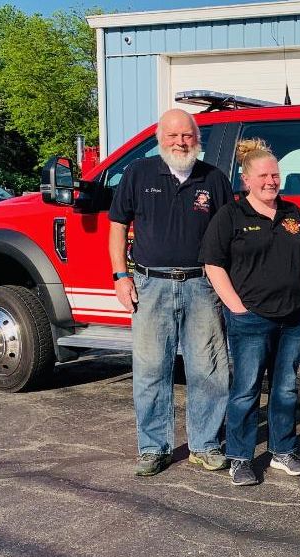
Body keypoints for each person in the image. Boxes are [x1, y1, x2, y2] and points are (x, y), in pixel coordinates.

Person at [108, 109, 232, 476]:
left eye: (187, 136)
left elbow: (227, 236)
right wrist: (120, 276)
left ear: (197, 139)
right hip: (150, 285)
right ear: (160, 138)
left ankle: (205, 444)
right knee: (150, 370)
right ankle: (153, 448)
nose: (181, 142)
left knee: (208, 369)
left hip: (201, 285)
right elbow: (117, 226)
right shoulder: (138, 173)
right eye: (173, 135)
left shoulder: (215, 179)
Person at [200, 139, 300, 487]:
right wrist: (235, 306)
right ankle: (240, 457)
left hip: (293, 318)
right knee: (246, 390)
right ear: (246, 179)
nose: (271, 181)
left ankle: (283, 451)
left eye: (276, 175)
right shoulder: (231, 216)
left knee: (285, 390)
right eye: (264, 175)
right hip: (250, 320)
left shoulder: (293, 213)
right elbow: (213, 264)